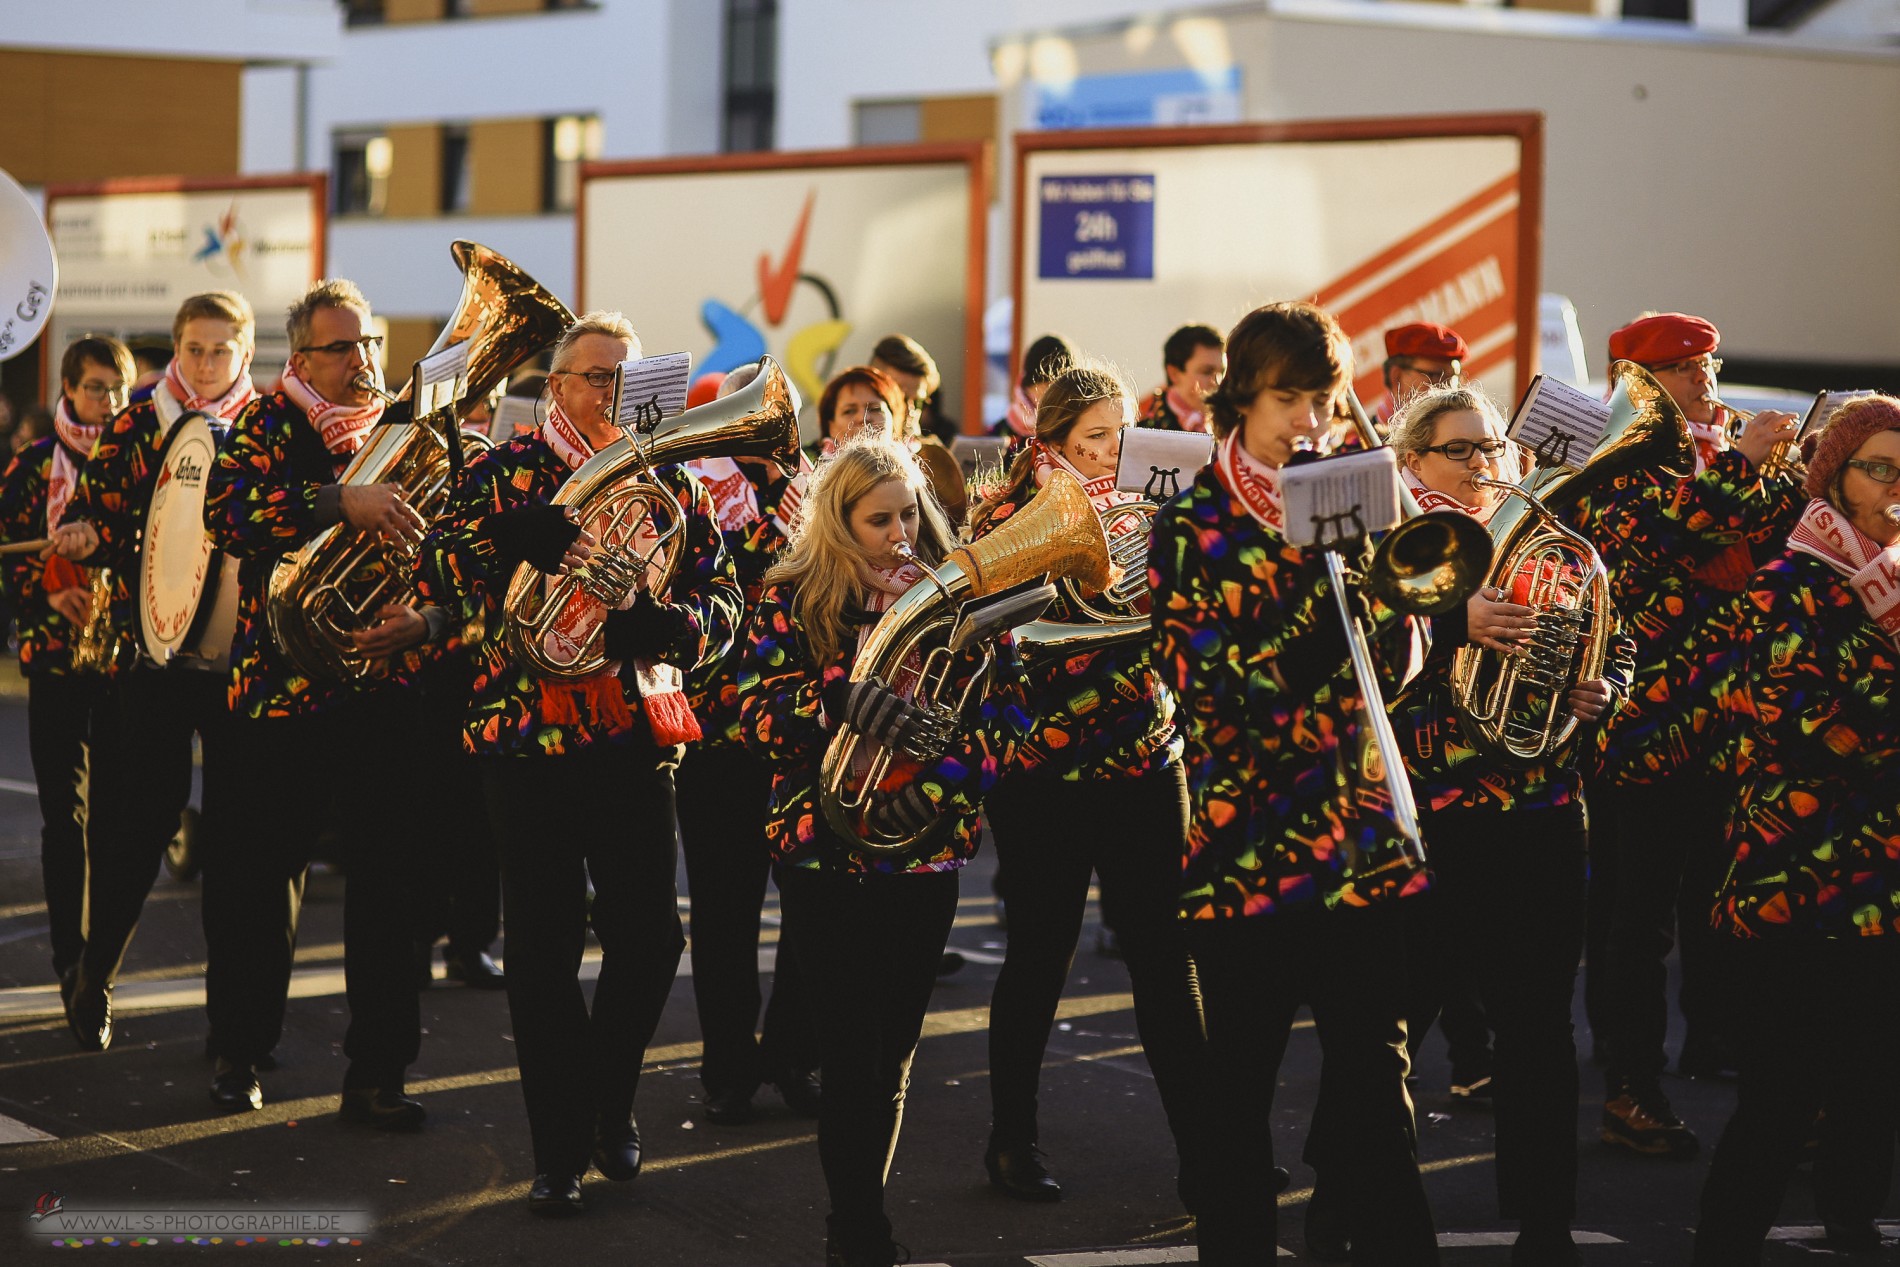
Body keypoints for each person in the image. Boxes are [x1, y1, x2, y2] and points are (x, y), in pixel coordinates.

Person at [416, 310, 740, 1215]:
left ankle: (608, 1098)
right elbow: (437, 564)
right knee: (544, 954)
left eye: (625, 380)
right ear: (554, 385)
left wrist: (676, 626)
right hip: (526, 744)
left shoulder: (666, 476)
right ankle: (559, 1149)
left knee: (651, 940)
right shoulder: (502, 467)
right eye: (595, 376)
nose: (611, 393)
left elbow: (723, 596)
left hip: (632, 734)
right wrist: (509, 539)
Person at [1148, 300, 1439, 1266]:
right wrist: (1321, 617)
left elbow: (1399, 666)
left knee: (1376, 1079)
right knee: (1240, 1089)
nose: (1307, 422)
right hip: (1247, 846)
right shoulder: (1194, 520)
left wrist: (1391, 606)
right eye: (1287, 400)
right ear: (1243, 395)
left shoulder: (1354, 494)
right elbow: (1211, 695)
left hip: (1356, 834)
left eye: (1320, 399)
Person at [738, 436, 1030, 1267]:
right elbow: (748, 711)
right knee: (849, 1044)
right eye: (879, 519)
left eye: (910, 514)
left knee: (893, 1049)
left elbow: (1008, 719)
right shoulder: (793, 597)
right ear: (838, 523)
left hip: (924, 851)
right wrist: (839, 698)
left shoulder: (958, 601)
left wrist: (935, 789)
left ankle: (859, 1216)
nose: (900, 532)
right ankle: (856, 1226)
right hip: (822, 851)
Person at [1386, 384, 1633, 1266]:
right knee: (1394, 1024)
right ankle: (1356, 1193)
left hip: (1541, 814)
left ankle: (1544, 1220)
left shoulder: (1543, 540)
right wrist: (1454, 621)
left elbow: (1616, 633)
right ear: (1412, 458)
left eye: (1492, 447)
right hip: (1433, 820)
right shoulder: (1393, 538)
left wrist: (1600, 683)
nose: (1484, 464)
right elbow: (1359, 650)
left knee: (1538, 1025)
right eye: (1462, 449)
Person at [202, 278, 452, 1126]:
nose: (364, 361)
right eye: (343, 348)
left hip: (384, 694)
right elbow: (225, 511)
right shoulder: (264, 424)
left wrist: (423, 619)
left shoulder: (401, 429)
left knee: (392, 887)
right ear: (300, 356)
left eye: (371, 344)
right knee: (258, 882)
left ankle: (379, 1073)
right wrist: (340, 499)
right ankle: (239, 1051)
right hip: (279, 695)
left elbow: (448, 540)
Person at [1561, 312, 1804, 1157]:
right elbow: (1672, 529)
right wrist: (1744, 466)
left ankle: (1714, 1037)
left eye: (1708, 362)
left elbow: (1780, 536)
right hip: (1646, 723)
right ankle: (1629, 1084)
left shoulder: (1735, 445)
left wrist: (1775, 466)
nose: (1705, 379)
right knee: (1638, 920)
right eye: (1681, 368)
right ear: (1636, 380)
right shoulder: (1620, 455)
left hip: (1738, 721)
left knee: (1723, 902)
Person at [967, 364, 1207, 1210]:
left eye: (1122, 432)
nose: (1112, 450)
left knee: (1166, 960)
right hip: (1046, 773)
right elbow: (996, 632)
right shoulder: (1011, 512)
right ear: (1055, 440)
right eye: (1094, 437)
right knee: (1039, 956)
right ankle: (1011, 1140)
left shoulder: (1157, 504)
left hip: (1146, 756)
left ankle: (1209, 1152)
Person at [1692, 395, 1900, 1264]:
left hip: (1880, 881)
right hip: (1795, 882)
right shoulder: (1792, 583)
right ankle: (1723, 1243)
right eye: (1878, 468)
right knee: (1781, 1093)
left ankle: (1851, 1222)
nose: (1894, 487)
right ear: (1836, 475)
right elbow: (1798, 722)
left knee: (1874, 1083)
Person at [47, 294, 258, 1052]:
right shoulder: (139, 424)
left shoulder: (262, 428)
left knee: (237, 853)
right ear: (176, 349)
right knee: (136, 833)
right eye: (193, 349)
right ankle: (94, 975)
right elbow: (101, 513)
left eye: (220, 349)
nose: (205, 363)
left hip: (237, 668)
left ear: (244, 352)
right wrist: (85, 534)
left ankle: (230, 1033)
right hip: (153, 660)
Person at [675, 361, 820, 1125]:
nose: (766, 428)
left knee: (810, 909)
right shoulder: (696, 492)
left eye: (776, 413)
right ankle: (728, 1062)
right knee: (724, 914)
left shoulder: (823, 490)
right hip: (719, 734)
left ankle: (795, 1052)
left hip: (802, 731)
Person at [0, 335, 131, 1021]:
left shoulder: (139, 462)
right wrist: (47, 592)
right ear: (69, 389)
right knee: (65, 817)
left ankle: (99, 966)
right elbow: (5, 555)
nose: (106, 402)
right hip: (54, 657)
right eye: (95, 387)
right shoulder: (29, 467)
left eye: (116, 388)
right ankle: (69, 959)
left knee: (115, 817)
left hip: (123, 660)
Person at [991, 334, 1073, 455]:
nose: (1047, 395)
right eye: (1043, 384)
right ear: (1027, 384)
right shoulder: (1000, 433)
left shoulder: (1073, 430)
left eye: (1055, 386)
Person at [1375, 323, 1467, 427]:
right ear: (1397, 378)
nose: (1449, 389)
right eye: (1436, 375)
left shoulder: (1468, 433)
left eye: (1454, 377)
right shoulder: (1367, 441)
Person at [1137, 324, 1224, 433]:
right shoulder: (1147, 432)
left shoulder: (1226, 427)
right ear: (1174, 374)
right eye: (1206, 372)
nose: (1217, 382)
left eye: (1222, 372)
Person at [808, 364, 902, 461]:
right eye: (849, 411)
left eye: (875, 409)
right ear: (831, 427)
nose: (863, 418)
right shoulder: (806, 473)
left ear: (894, 418)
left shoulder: (915, 470)